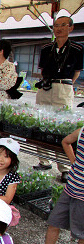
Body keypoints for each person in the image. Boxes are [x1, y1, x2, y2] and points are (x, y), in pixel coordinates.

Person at [21, 125, 84, 244]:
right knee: (54, 221)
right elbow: (66, 141)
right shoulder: (83, 130)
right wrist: (75, 163)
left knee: (82, 232)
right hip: (71, 188)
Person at [33, 14, 83, 182]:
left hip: (64, 86)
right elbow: (41, 69)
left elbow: (76, 72)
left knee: (62, 126)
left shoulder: (77, 48)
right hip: (46, 85)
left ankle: (64, 167)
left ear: (70, 28)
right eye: (56, 25)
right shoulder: (47, 47)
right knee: (42, 123)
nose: (59, 28)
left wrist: (64, 84)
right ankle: (44, 161)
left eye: (63, 25)